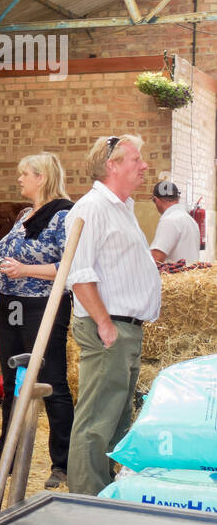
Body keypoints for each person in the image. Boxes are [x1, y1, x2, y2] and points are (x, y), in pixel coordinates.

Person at [65, 135, 161, 496]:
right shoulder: (91, 208)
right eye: (136, 159)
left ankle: (106, 492)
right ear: (113, 165)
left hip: (125, 327)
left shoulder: (122, 207)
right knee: (96, 418)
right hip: (109, 327)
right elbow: (79, 272)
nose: (143, 166)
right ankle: (88, 497)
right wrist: (104, 323)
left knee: (116, 417)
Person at [0, 152, 74, 488]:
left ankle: (62, 463)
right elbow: (14, 256)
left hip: (43, 307)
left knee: (52, 381)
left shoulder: (64, 215)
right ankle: (8, 454)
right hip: (10, 303)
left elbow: (70, 266)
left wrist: (26, 270)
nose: (19, 179)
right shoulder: (24, 215)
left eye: (24, 174)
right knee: (13, 382)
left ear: (41, 177)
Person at [148, 176, 200, 265]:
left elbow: (156, 258)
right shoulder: (189, 220)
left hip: (176, 277)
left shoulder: (169, 220)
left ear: (156, 200)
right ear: (177, 198)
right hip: (190, 276)